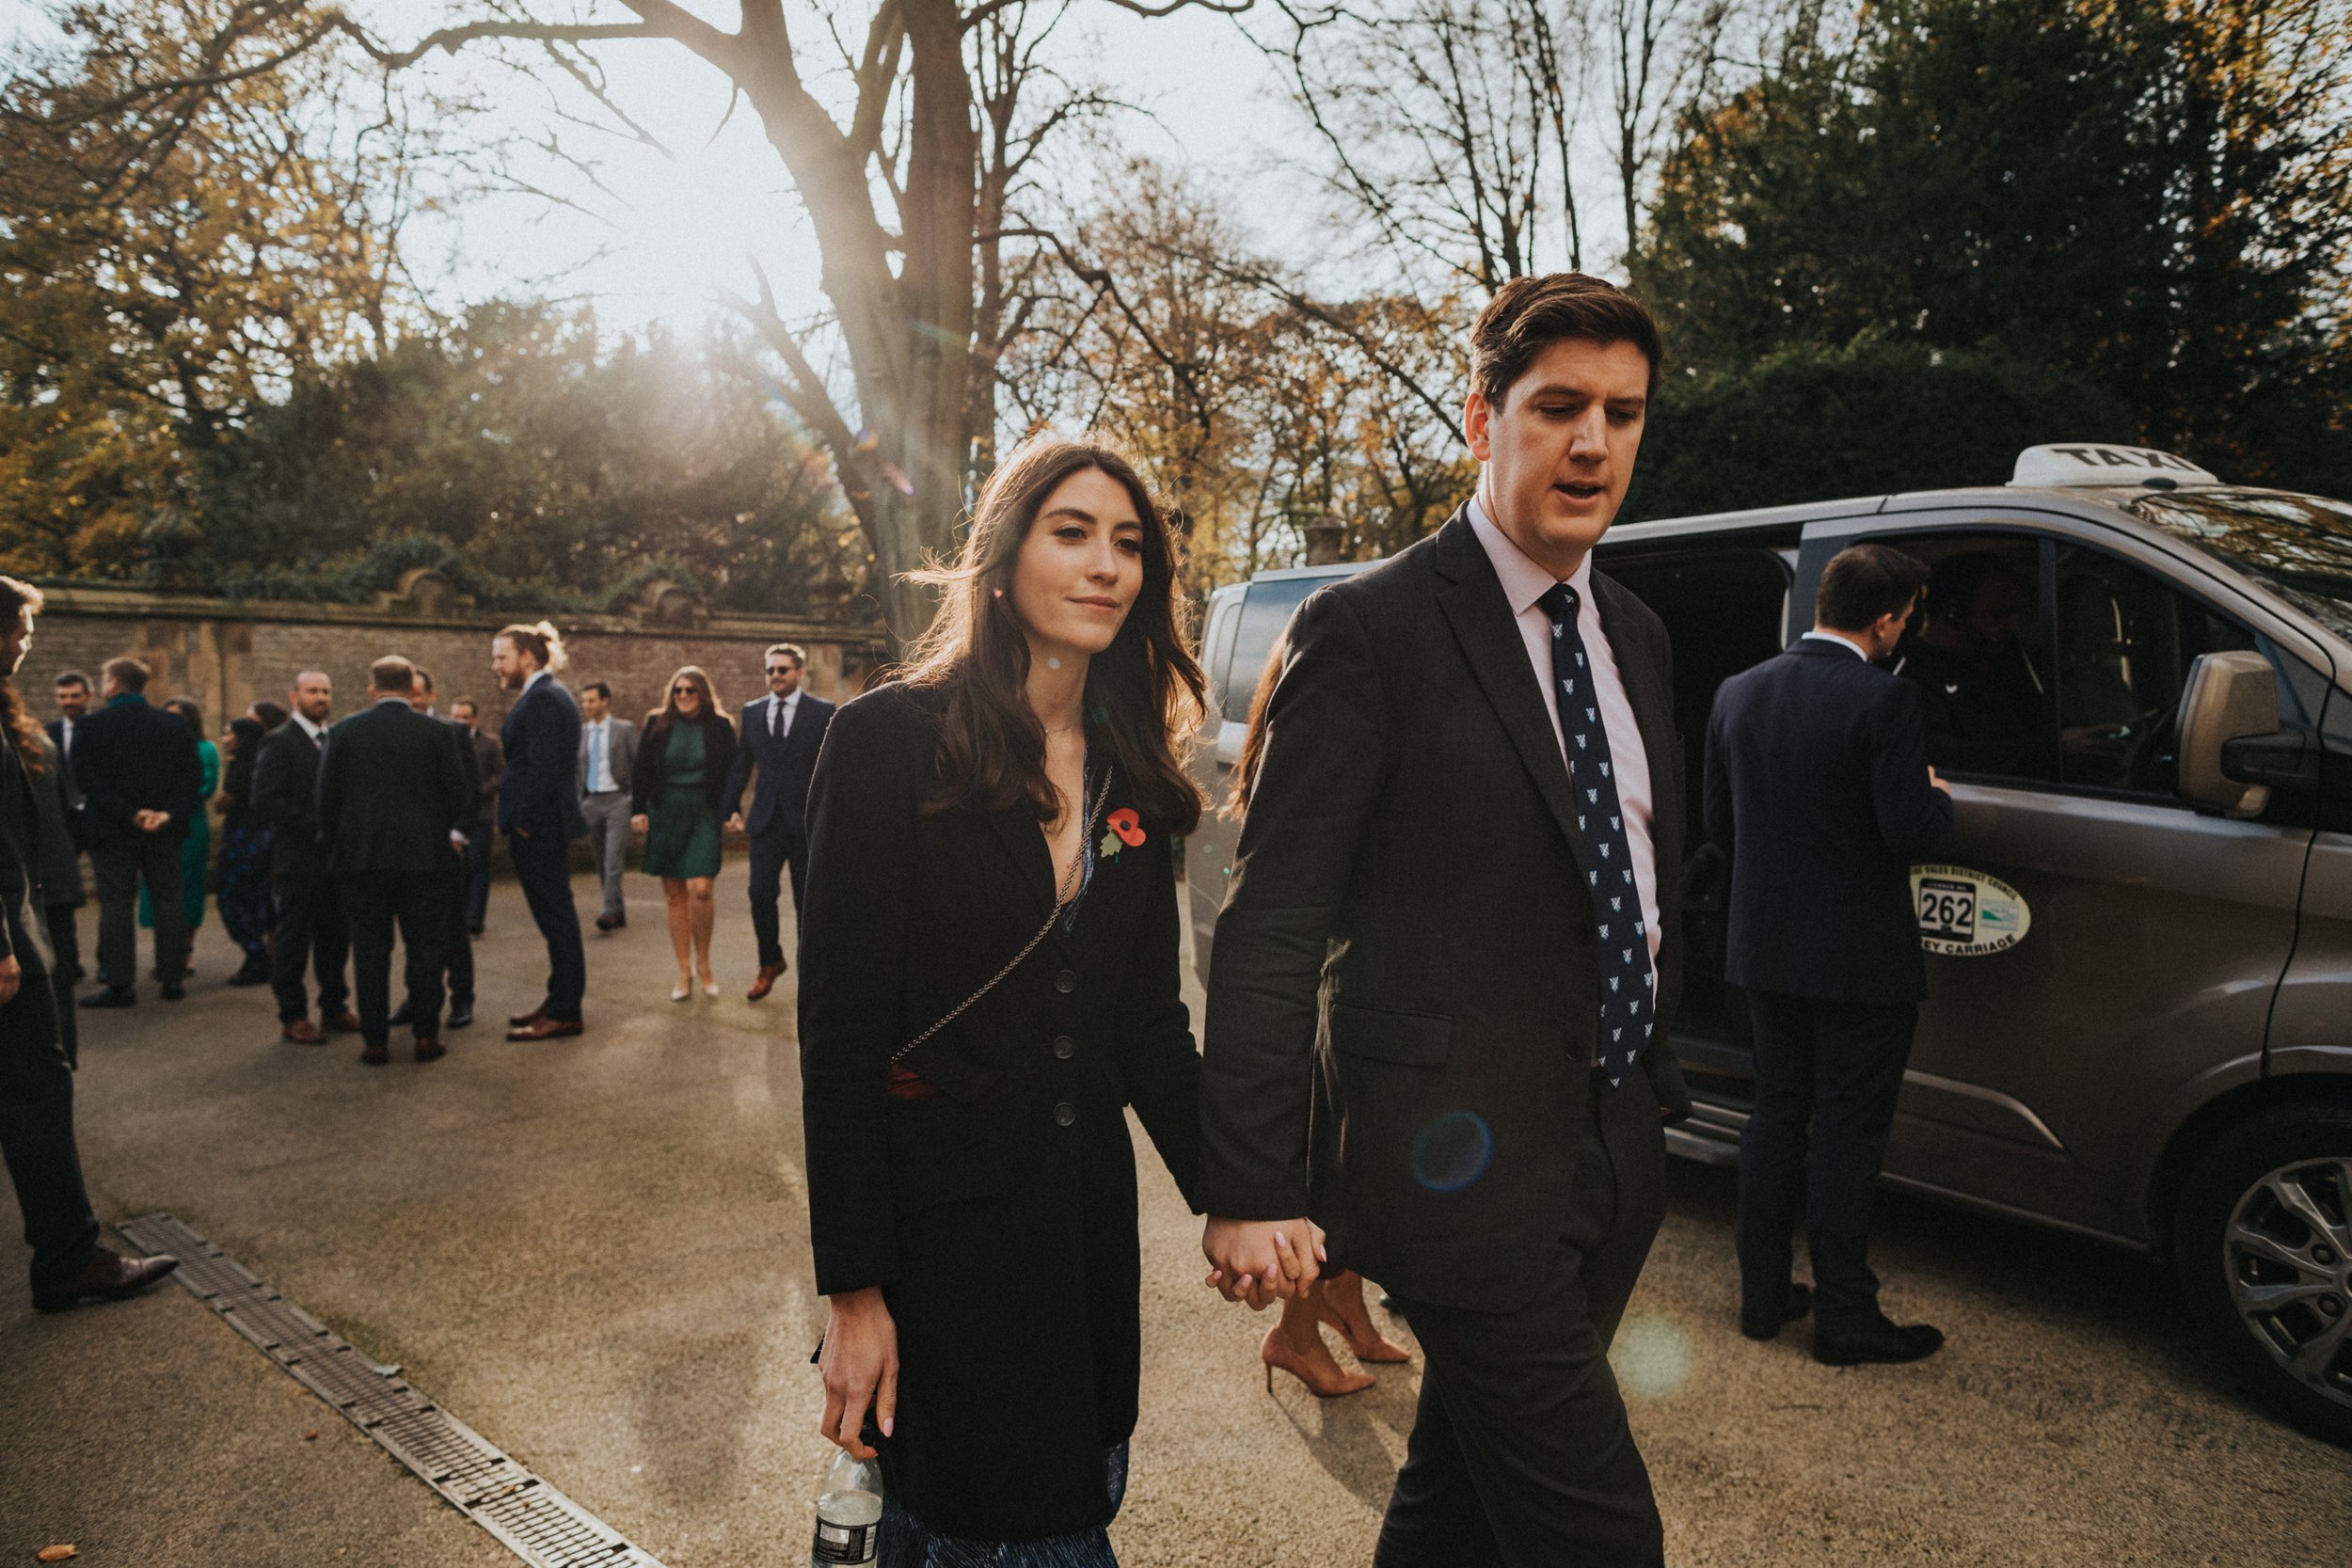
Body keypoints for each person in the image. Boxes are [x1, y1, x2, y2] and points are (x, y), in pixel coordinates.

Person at [1199, 274, 1694, 1565]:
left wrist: (1652, 1073)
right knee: (1602, 1537)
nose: (1594, 441)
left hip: (1613, 1142)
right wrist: (1250, 1182)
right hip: (1454, 1169)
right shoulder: (1370, 628)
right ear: (1484, 419)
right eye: (1561, 406)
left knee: (1460, 1495)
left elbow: (1643, 870)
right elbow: (1269, 924)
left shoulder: (1637, 633)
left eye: (1625, 414)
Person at [802, 440, 1210, 1562]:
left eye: (1129, 544)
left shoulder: (1135, 772)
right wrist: (853, 1294)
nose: (1107, 566)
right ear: (1000, 560)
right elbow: (837, 1041)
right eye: (1071, 532)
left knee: (1051, 1501)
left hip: (1081, 1250)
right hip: (940, 1257)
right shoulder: (887, 742)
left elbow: (1146, 1026)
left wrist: (1245, 1192)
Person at [1706, 543, 1957, 1366]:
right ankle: (1846, 1315)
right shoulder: (1886, 701)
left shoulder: (1738, 692)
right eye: (1904, 619)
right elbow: (1908, 831)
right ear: (1885, 620)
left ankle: (1763, 1296)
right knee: (1848, 1133)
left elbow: (1719, 824)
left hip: (1766, 946)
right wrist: (1938, 798)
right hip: (1860, 959)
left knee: (1776, 1113)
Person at [1223, 632, 1412, 1399]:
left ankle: (1347, 1307)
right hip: (1337, 979)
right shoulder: (1323, 711)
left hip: (1364, 972)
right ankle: (1294, 1337)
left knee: (1354, 1179)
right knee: (1331, 1179)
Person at [0, 578, 179, 1310]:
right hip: (8, 938)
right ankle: (70, 1256)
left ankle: (68, 1250)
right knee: (38, 1090)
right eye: (17, 631)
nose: (22, 644)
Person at [318, 657, 469, 1067]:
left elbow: (325, 800)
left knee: (369, 951)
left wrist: (341, 843)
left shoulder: (344, 732)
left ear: (372, 689)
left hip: (363, 862)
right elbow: (459, 795)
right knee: (425, 949)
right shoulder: (438, 733)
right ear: (410, 687)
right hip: (426, 860)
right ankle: (425, 1035)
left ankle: (375, 1040)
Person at [70, 657, 201, 1008]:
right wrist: (165, 814)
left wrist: (130, 814)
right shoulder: (173, 725)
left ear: (113, 683)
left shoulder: (90, 726)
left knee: (116, 905)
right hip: (163, 831)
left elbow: (86, 782)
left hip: (112, 831)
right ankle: (172, 979)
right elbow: (191, 778)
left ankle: (120, 985)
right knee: (169, 902)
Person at [492, 622, 588, 1041]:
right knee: (554, 919)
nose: (495, 665)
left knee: (557, 919)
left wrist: (526, 823)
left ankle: (565, 1011)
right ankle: (557, 1000)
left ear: (526, 657)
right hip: (539, 826)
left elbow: (544, 769)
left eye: (501, 657)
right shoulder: (541, 695)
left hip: (540, 828)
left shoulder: (544, 699)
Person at [723, 642, 834, 1000]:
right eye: (770, 670)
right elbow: (742, 765)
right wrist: (730, 808)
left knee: (808, 902)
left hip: (806, 823)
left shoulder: (822, 712)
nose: (775, 676)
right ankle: (770, 962)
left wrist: (831, 815)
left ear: (799, 672)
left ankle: (811, 976)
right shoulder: (752, 713)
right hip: (766, 821)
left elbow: (833, 771)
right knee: (759, 893)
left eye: (782, 670)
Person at [252, 672, 358, 1045]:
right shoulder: (278, 742)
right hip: (298, 860)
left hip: (336, 861)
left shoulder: (337, 739)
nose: (321, 697)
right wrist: (313, 827)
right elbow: (264, 799)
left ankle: (334, 1007)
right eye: (313, 691)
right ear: (294, 696)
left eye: (326, 691)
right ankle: (293, 1015)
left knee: (335, 938)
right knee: (293, 943)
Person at [629, 666, 737, 1002]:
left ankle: (705, 963)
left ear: (703, 693)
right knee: (676, 894)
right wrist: (638, 810)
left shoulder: (721, 727)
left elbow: (734, 773)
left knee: (700, 889)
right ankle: (683, 969)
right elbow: (641, 769)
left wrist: (733, 810)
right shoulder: (657, 723)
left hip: (703, 812)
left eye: (691, 690)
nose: (685, 696)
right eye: (678, 690)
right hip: (667, 811)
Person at [394, 669, 478, 1033]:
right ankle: (418, 998)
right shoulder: (393, 732)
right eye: (406, 694)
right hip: (404, 849)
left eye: (417, 694)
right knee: (414, 931)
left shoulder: (454, 733)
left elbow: (470, 790)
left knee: (452, 929)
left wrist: (457, 834)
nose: (412, 701)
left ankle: (462, 998)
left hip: (444, 844)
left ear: (430, 695)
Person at [137, 696, 215, 946]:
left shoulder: (205, 749)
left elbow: (206, 786)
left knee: (190, 885)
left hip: (191, 823)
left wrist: (175, 806)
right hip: (160, 824)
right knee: (157, 886)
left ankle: (187, 947)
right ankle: (165, 945)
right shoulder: (154, 748)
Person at [27, 726, 82, 1068]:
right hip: (55, 874)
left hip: (25, 880)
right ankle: (63, 1059)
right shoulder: (40, 742)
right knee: (58, 977)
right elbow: (69, 808)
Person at [214, 715, 277, 987]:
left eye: (228, 734)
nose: (224, 739)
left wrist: (221, 803)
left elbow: (224, 804)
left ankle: (256, 954)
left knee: (233, 899)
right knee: (257, 898)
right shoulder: (266, 763)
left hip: (243, 841)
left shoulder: (240, 768)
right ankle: (260, 956)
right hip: (264, 839)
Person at [577, 681, 638, 933]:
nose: (587, 705)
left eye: (592, 700)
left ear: (606, 701)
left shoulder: (624, 729)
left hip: (617, 800)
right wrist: (578, 799)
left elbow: (638, 763)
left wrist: (632, 797)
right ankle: (617, 909)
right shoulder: (581, 732)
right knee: (600, 858)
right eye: (584, 701)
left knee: (613, 858)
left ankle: (608, 910)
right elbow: (575, 769)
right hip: (591, 800)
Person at [43, 671, 91, 986]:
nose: (68, 702)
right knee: (62, 896)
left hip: (95, 818)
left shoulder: (100, 728)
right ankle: (68, 962)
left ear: (87, 696)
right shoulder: (49, 732)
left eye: (74, 696)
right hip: (62, 823)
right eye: (63, 697)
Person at [447, 697, 501, 936]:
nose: (460, 721)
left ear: (474, 719)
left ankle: (474, 917)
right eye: (456, 716)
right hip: (455, 817)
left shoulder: (489, 744)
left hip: (481, 815)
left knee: (477, 866)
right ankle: (459, 914)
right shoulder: (445, 742)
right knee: (459, 869)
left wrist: (482, 791)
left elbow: (500, 774)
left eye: (465, 717)